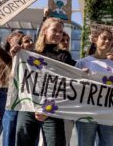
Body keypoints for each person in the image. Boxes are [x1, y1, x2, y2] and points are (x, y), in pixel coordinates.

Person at [15, 17, 73, 146]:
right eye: (55, 30)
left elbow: (67, 85)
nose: (58, 34)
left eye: (61, 32)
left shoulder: (64, 56)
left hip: (52, 110)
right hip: (29, 107)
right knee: (23, 140)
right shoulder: (30, 55)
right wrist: (14, 55)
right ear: (45, 30)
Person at [75, 27, 113, 146]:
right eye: (104, 38)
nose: (107, 41)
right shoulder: (83, 62)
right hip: (86, 112)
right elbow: (74, 87)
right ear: (95, 39)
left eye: (110, 40)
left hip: (108, 112)